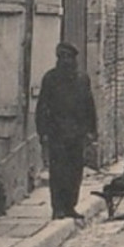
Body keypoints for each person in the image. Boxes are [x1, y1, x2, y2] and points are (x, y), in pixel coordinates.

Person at [35, 42, 97, 221]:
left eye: (69, 57)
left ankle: (70, 206)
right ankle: (58, 208)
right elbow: (42, 107)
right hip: (57, 133)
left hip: (77, 134)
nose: (66, 61)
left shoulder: (82, 79)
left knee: (75, 172)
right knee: (58, 171)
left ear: (74, 59)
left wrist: (91, 131)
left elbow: (89, 105)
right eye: (62, 57)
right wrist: (43, 132)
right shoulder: (50, 79)